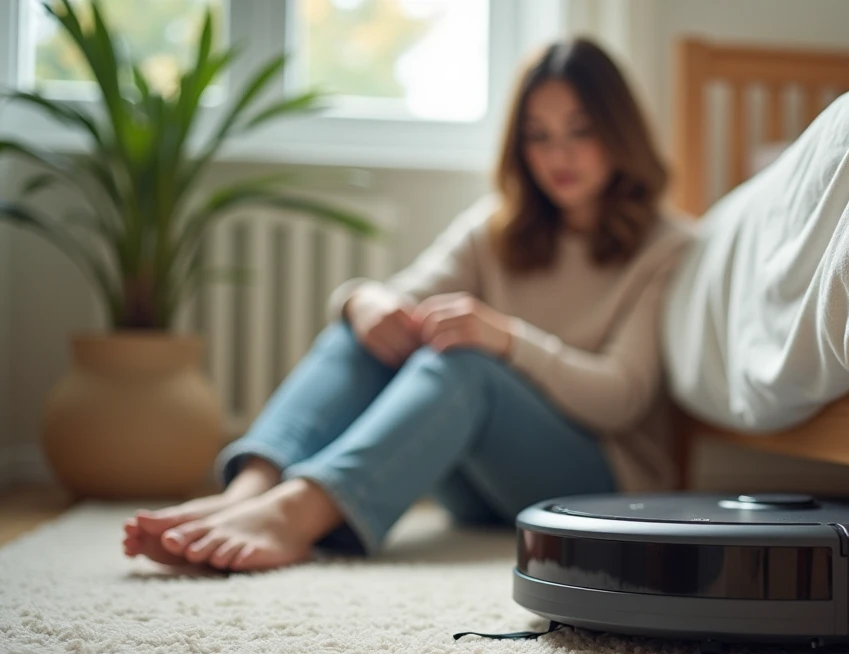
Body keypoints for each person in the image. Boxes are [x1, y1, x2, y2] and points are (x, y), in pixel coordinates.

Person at [121, 38, 694, 572]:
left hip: (598, 486)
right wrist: (362, 301)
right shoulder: (495, 230)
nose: (557, 155)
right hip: (477, 488)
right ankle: (248, 492)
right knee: (375, 329)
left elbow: (621, 397)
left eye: (580, 131)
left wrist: (508, 339)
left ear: (619, 133)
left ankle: (293, 514)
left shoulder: (668, 245)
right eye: (538, 136)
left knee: (466, 362)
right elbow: (396, 298)